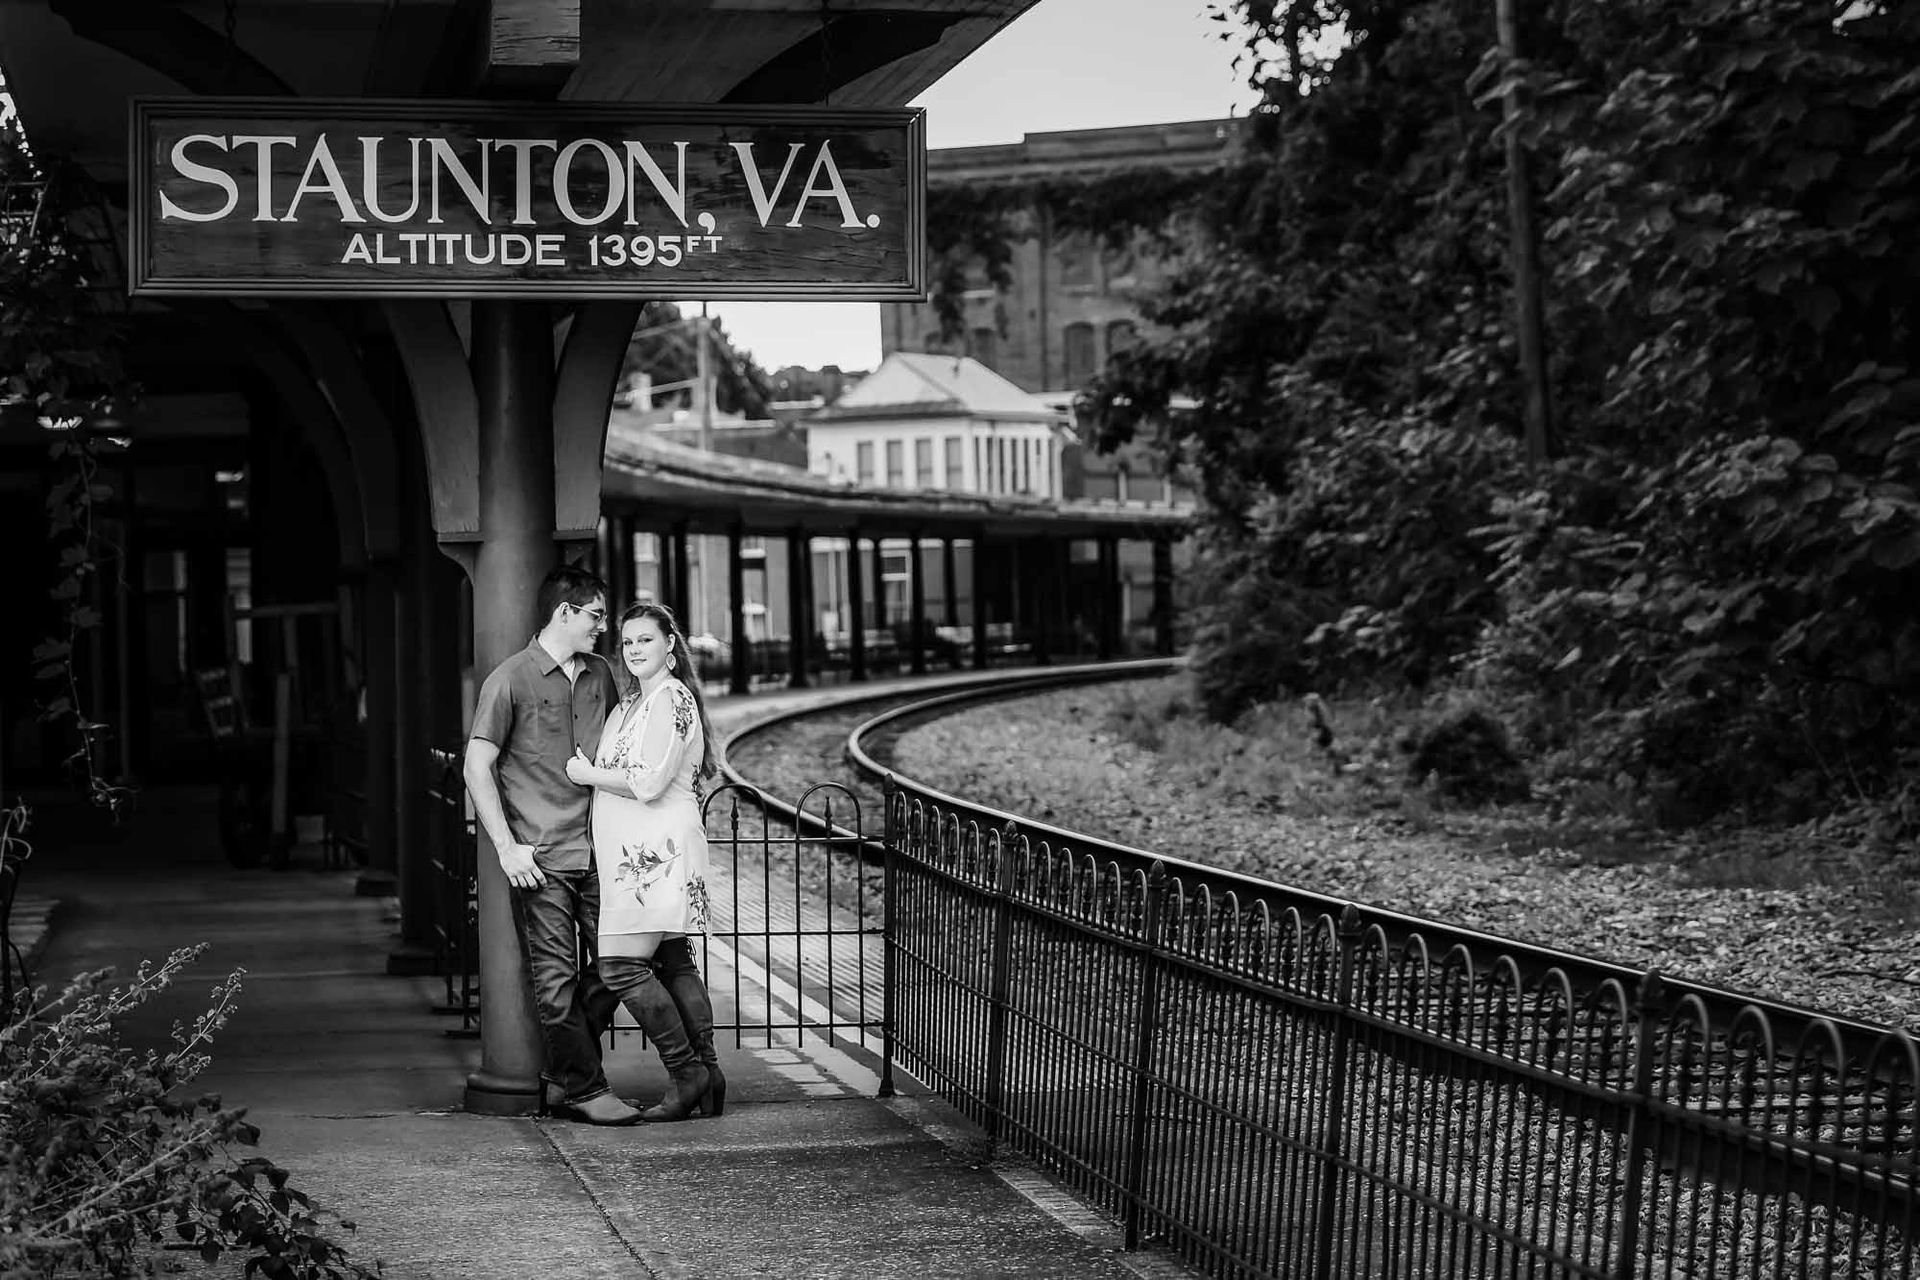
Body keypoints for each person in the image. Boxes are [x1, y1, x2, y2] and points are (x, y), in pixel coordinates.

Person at [464, 566, 642, 1126]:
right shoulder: (510, 678)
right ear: (564, 612)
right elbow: (476, 765)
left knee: (621, 964)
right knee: (556, 979)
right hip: (540, 858)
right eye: (594, 615)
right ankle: (587, 1089)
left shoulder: (600, 674)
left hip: (604, 852)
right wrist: (506, 848)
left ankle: (566, 1076)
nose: (602, 626)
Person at [566, 602, 725, 1122]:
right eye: (628, 642)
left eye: (646, 640)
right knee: (673, 959)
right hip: (635, 854)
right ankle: (708, 1072)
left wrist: (583, 773)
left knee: (619, 965)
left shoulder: (669, 699)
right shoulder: (634, 702)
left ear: (670, 646)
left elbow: (650, 783)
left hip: (656, 853)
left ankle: (687, 1074)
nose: (634, 650)